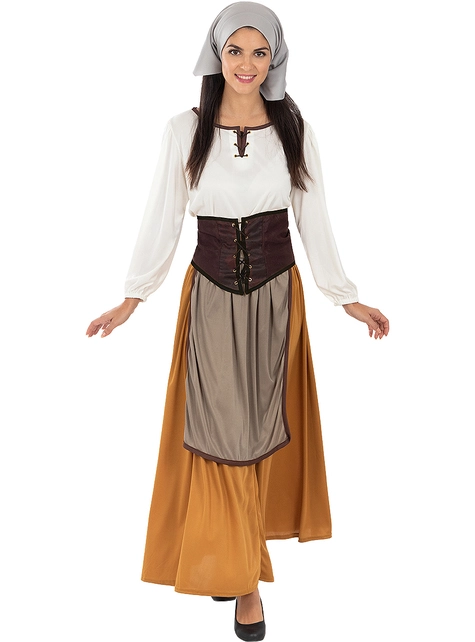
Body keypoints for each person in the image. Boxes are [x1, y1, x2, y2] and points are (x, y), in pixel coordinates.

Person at [86, 2, 389, 639]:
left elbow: (314, 216)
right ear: (216, 54)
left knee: (260, 433)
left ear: (275, 59)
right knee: (224, 435)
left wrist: (345, 296)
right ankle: (245, 581)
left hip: (278, 300)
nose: (246, 64)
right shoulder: (183, 130)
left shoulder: (294, 129)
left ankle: (237, 561)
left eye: (259, 52)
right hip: (212, 299)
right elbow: (162, 216)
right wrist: (133, 297)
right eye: (235, 51)